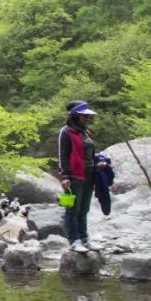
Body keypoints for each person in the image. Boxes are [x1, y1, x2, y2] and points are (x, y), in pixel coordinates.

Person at [57, 101, 99, 253]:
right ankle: (74, 241)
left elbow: (89, 153)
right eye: (84, 116)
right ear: (75, 116)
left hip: (89, 175)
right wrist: (65, 176)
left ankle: (84, 239)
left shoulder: (85, 132)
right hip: (74, 177)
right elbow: (63, 155)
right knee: (72, 210)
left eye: (88, 116)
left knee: (84, 209)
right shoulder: (66, 132)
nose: (87, 118)